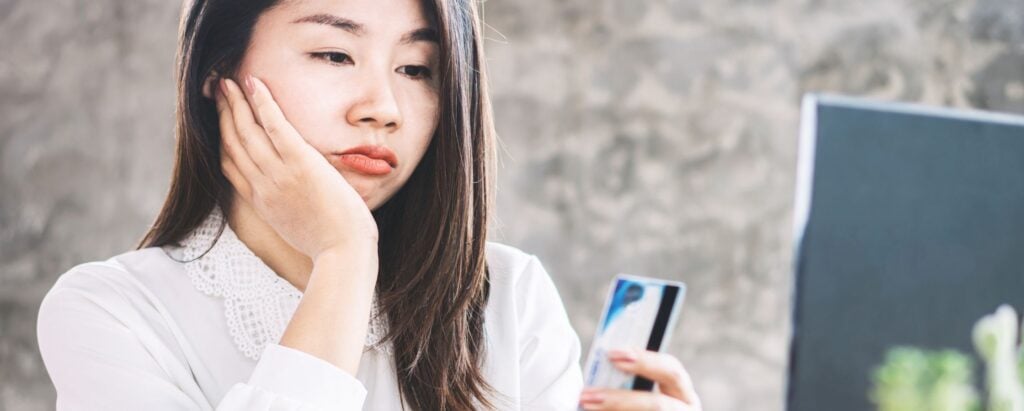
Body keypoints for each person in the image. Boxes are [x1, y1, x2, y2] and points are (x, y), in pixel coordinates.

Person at [35, 0, 703, 410]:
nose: (382, 108)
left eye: (417, 70)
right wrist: (344, 258)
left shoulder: (509, 296)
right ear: (217, 75)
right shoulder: (110, 311)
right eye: (334, 53)